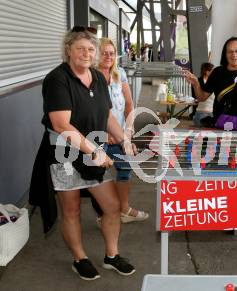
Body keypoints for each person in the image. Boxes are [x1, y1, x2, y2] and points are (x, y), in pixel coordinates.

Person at [32, 27, 136, 280]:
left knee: (111, 207)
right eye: (80, 48)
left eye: (91, 49)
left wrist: (124, 140)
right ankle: (80, 258)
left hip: (94, 148)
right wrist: (94, 152)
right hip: (65, 154)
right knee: (72, 210)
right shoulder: (58, 79)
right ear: (68, 50)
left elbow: (107, 115)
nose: (86, 54)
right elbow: (61, 124)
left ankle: (111, 255)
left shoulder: (99, 78)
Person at [97, 38, 148, 223]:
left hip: (120, 136)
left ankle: (124, 210)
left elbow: (128, 104)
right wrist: (106, 134)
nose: (108, 56)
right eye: (104, 52)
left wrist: (128, 129)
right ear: (96, 54)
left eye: (111, 53)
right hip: (97, 137)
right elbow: (91, 111)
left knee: (125, 169)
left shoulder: (120, 74)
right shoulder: (90, 76)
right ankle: (106, 213)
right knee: (95, 177)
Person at [192, 62, 215, 126]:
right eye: (213, 71)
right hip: (202, 113)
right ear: (207, 72)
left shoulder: (215, 81)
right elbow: (196, 96)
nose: (215, 72)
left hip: (213, 113)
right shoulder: (198, 81)